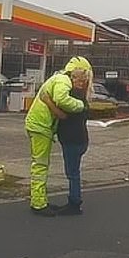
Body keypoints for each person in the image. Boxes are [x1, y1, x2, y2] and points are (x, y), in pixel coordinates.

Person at [24, 56, 92, 217]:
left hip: (41, 126)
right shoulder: (64, 81)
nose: (80, 81)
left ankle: (40, 200)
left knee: (44, 166)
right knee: (40, 165)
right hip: (41, 126)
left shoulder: (59, 79)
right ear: (75, 73)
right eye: (80, 77)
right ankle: (38, 204)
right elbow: (62, 100)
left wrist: (49, 102)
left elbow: (61, 110)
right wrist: (81, 106)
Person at [40, 85, 89, 216]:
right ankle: (74, 201)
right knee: (73, 172)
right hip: (79, 140)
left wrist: (48, 101)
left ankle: (74, 203)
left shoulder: (74, 99)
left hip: (73, 141)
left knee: (72, 173)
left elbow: (62, 115)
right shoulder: (82, 98)